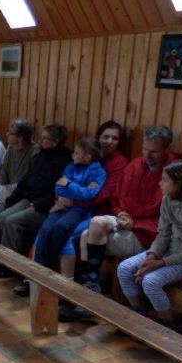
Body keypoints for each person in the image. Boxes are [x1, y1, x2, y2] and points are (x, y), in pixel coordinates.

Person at [60, 124, 177, 321]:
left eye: (154, 152)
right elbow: (116, 197)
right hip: (126, 219)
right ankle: (89, 292)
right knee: (95, 224)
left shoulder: (173, 173)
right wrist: (120, 213)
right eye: (145, 149)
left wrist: (135, 223)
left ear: (168, 148)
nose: (147, 156)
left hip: (148, 232)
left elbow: (169, 216)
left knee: (85, 238)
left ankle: (86, 298)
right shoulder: (135, 165)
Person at [116, 159, 182, 331]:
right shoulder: (168, 199)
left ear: (179, 184)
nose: (160, 183)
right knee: (124, 268)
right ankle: (137, 311)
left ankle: (167, 324)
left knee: (151, 281)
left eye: (165, 180)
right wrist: (152, 256)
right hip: (168, 252)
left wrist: (160, 263)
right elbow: (163, 235)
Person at [0, 123, 71, 279]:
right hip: (29, 199)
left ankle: (11, 264)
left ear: (55, 142)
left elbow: (59, 192)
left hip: (44, 207)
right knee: (1, 217)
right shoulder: (39, 157)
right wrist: (11, 200)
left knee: (11, 222)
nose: (40, 141)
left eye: (44, 138)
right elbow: (25, 181)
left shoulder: (64, 162)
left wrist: (41, 204)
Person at [56, 121, 129, 282]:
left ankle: (71, 283)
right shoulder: (88, 155)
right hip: (76, 207)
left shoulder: (120, 162)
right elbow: (68, 181)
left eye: (115, 138)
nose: (110, 142)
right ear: (98, 138)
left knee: (69, 236)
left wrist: (75, 200)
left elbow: (105, 193)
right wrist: (62, 197)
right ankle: (44, 276)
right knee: (49, 228)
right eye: (106, 137)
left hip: (99, 212)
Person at [30, 137, 106, 273]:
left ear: (87, 157)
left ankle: (46, 265)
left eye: (76, 153)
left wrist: (69, 185)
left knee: (61, 227)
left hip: (79, 210)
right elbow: (59, 188)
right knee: (46, 228)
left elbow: (89, 195)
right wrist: (76, 190)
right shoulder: (70, 167)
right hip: (62, 205)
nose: (72, 155)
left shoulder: (99, 173)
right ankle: (38, 268)